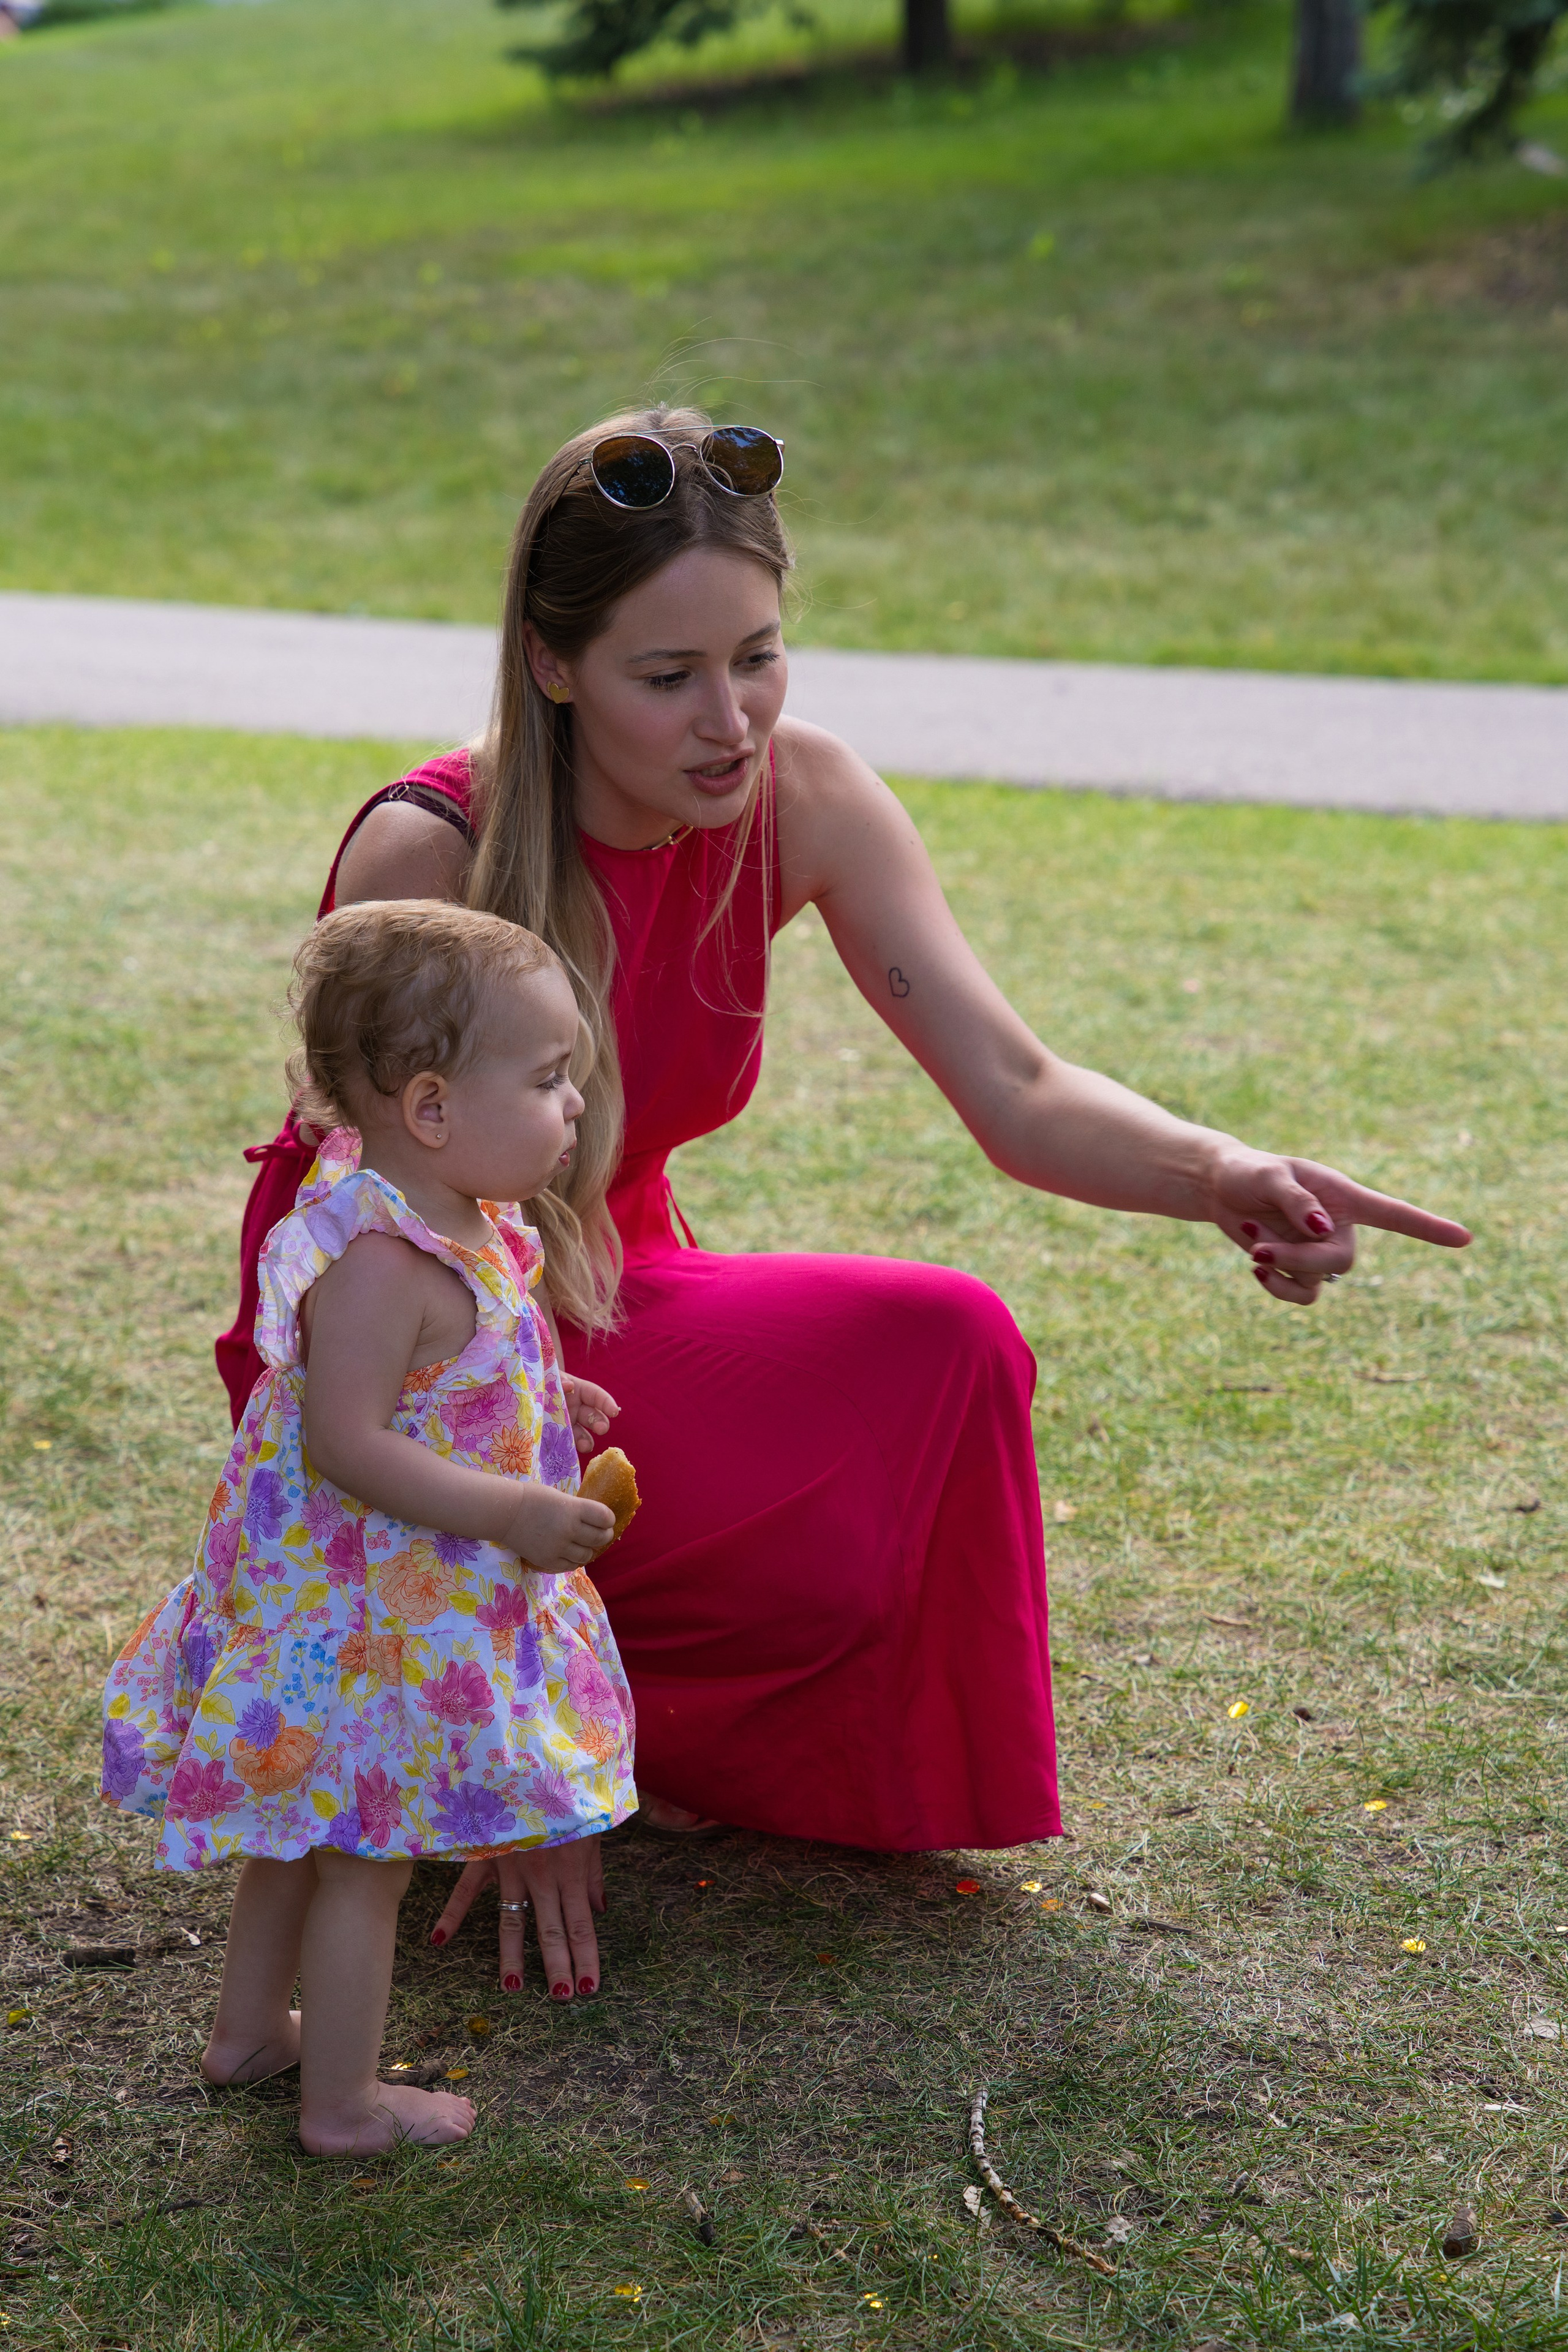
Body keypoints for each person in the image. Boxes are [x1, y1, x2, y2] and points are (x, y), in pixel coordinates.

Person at [216, 405, 1469, 1991]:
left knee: (945, 1344)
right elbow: (362, 1262)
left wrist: (1226, 1174)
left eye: (758, 655)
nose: (728, 719)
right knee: (672, 1485)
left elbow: (1015, 1088)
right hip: (414, 1344)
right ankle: (497, 1723)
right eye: (665, 679)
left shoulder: (803, 799)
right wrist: (509, 1753)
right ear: (550, 665)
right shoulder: (430, 852)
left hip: (618, 1283)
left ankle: (682, 1737)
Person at [104, 901, 636, 2153]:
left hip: (365, 1607)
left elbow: (426, 1384)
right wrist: (515, 1507)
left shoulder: (455, 1219)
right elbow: (348, 1440)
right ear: (434, 1107)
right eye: (552, 1081)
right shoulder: (385, 1259)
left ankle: (246, 2036)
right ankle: (342, 2104)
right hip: (359, 1624)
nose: (573, 1108)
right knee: (362, 1857)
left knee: (298, 1832)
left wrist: (530, 1394)